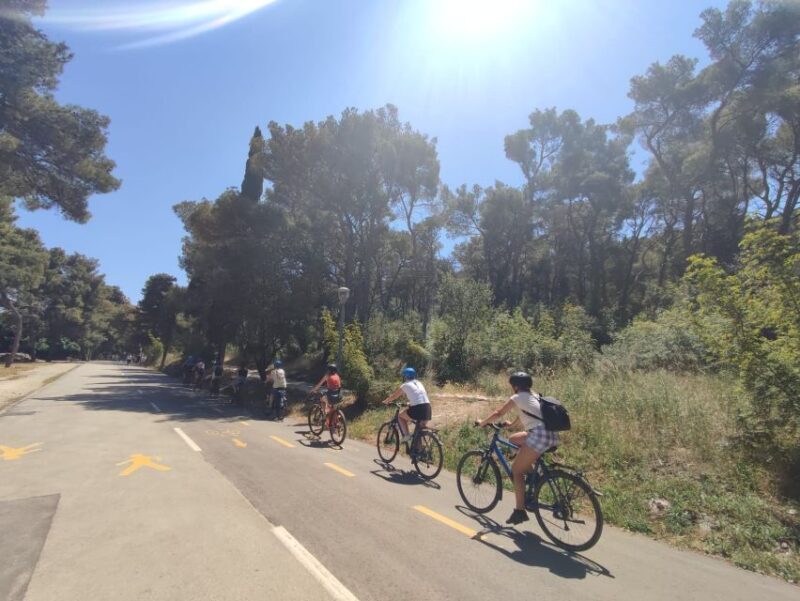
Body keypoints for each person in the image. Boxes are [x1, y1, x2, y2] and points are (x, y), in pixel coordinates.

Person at [475, 371, 559, 526]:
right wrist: (511, 425)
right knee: (514, 439)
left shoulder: (517, 397)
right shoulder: (534, 396)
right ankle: (533, 474)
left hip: (539, 435)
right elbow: (527, 415)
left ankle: (520, 512)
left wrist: (483, 422)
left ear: (515, 386)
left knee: (516, 471)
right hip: (550, 434)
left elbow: (498, 413)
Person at [381, 367, 431, 444]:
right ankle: (419, 453)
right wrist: (410, 403)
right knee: (418, 433)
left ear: (405, 376)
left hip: (418, 408)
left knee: (400, 416)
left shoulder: (405, 385)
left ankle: (406, 435)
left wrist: (386, 401)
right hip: (427, 408)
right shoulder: (419, 383)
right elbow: (419, 397)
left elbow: (394, 396)